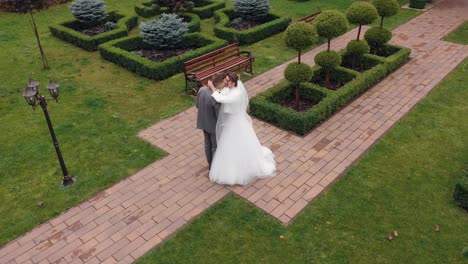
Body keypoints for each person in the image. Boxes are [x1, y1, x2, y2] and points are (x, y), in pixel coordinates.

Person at [207, 72, 276, 185]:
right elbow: (223, 93)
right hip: (231, 121)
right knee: (230, 144)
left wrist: (212, 87)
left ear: (233, 83)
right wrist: (218, 89)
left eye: (227, 80)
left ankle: (239, 170)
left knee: (237, 143)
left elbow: (221, 99)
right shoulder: (230, 89)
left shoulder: (236, 94)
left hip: (235, 122)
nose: (225, 82)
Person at [196, 72, 226, 169]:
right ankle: (214, 167)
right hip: (213, 126)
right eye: (223, 82)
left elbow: (197, 105)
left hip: (202, 122)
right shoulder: (215, 97)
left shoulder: (201, 90)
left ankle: (210, 163)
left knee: (207, 144)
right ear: (219, 83)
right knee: (215, 146)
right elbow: (219, 116)